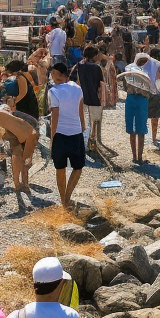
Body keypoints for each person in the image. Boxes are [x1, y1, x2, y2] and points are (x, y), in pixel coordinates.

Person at [47, 63, 85, 208]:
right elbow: (80, 109)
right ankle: (67, 197)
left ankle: (64, 199)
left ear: (59, 73)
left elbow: (54, 116)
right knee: (78, 167)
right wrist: (82, 125)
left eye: (53, 73)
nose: (52, 75)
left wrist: (52, 139)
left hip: (60, 134)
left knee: (60, 168)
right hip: (76, 132)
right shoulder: (77, 88)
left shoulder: (54, 91)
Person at [117, 53, 152, 163]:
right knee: (136, 129)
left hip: (136, 99)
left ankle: (137, 157)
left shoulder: (133, 69)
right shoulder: (137, 70)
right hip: (138, 99)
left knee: (137, 129)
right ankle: (137, 157)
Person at [71, 45, 105, 150]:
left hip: (81, 98)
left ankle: (83, 143)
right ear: (93, 56)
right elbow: (101, 84)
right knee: (94, 122)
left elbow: (73, 80)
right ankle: (92, 143)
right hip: (94, 98)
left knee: (82, 121)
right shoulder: (96, 67)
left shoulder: (78, 65)